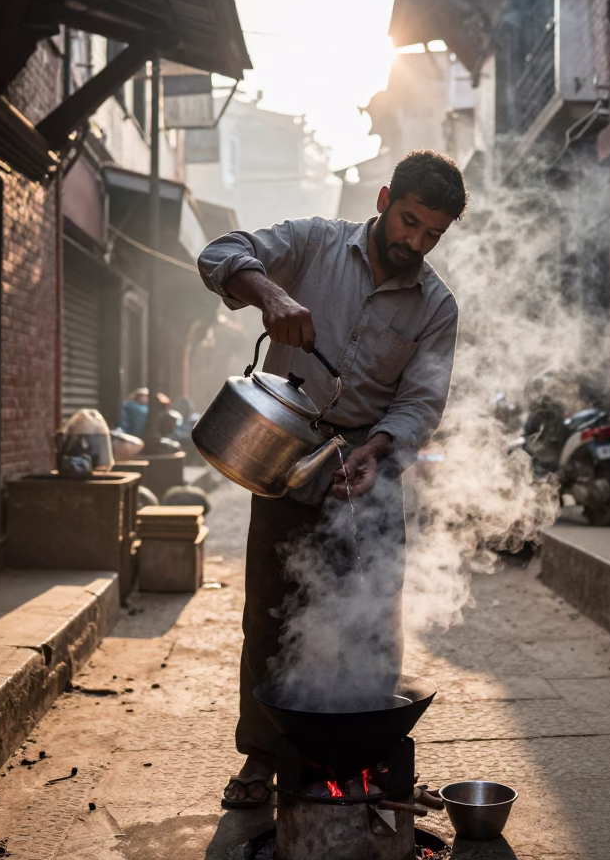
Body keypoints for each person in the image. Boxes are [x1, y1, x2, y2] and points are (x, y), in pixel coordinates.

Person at [198, 149, 467, 806]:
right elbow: (219, 253)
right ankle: (262, 760)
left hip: (369, 472)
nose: (416, 241)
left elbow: (420, 402)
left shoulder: (436, 306)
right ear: (382, 201)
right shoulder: (314, 243)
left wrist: (376, 449)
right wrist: (271, 293)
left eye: (433, 232)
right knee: (271, 614)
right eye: (408, 221)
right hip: (286, 460)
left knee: (369, 621)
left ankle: (363, 761)